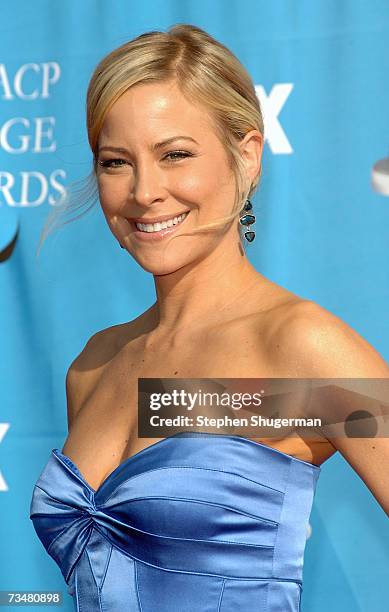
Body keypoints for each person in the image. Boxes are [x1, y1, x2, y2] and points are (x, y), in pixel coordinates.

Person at [29, 24, 389, 611]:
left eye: (175, 155)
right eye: (116, 162)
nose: (145, 191)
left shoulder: (301, 349)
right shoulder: (95, 366)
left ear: (246, 155)